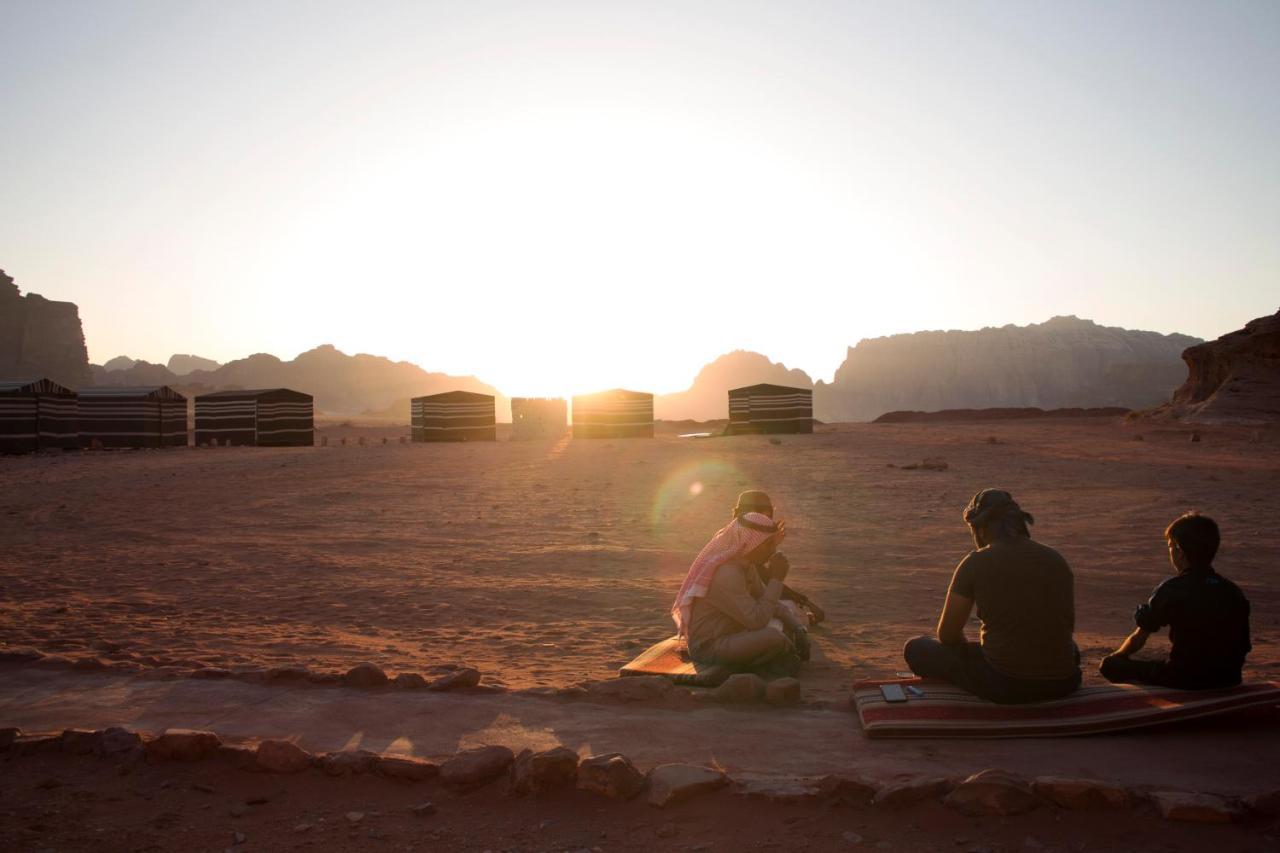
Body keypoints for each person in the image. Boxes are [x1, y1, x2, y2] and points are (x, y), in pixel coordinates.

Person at [902, 489, 1081, 704]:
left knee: (917, 647)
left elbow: (948, 635)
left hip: (1006, 685)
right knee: (1069, 649)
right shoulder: (1055, 558)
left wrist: (966, 651)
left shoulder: (976, 562)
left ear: (981, 528)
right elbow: (1064, 626)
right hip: (1064, 681)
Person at [1100, 512, 1251, 689]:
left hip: (1184, 678)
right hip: (1229, 678)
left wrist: (1117, 657)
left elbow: (1138, 638)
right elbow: (1244, 645)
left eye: (1171, 546)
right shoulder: (1233, 591)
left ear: (1179, 551)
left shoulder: (1173, 589)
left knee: (1111, 666)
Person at [672, 509, 810, 674]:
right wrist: (776, 580)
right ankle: (764, 662)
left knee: (787, 616)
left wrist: (798, 629)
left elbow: (767, 602)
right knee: (774, 637)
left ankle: (764, 659)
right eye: (769, 545)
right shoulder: (727, 574)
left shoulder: (746, 565)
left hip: (735, 632)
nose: (773, 551)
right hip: (711, 646)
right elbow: (756, 620)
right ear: (750, 543)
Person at [731, 490, 826, 625]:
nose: (768, 519)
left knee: (786, 607)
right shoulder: (738, 543)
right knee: (783, 614)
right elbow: (764, 581)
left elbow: (762, 581)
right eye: (764, 514)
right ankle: (803, 620)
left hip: (745, 604)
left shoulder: (740, 537)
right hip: (735, 613)